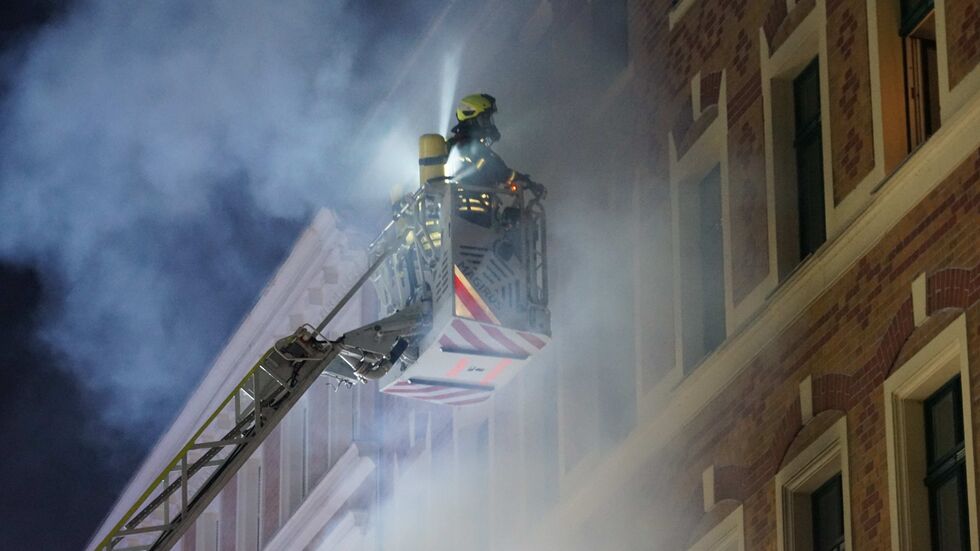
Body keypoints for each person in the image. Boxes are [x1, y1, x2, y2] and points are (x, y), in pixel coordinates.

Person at [447, 93, 543, 196]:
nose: (489, 125)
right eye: (485, 120)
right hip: (473, 208)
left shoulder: (454, 144)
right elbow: (499, 171)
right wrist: (526, 181)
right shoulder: (472, 147)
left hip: (463, 206)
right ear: (472, 120)